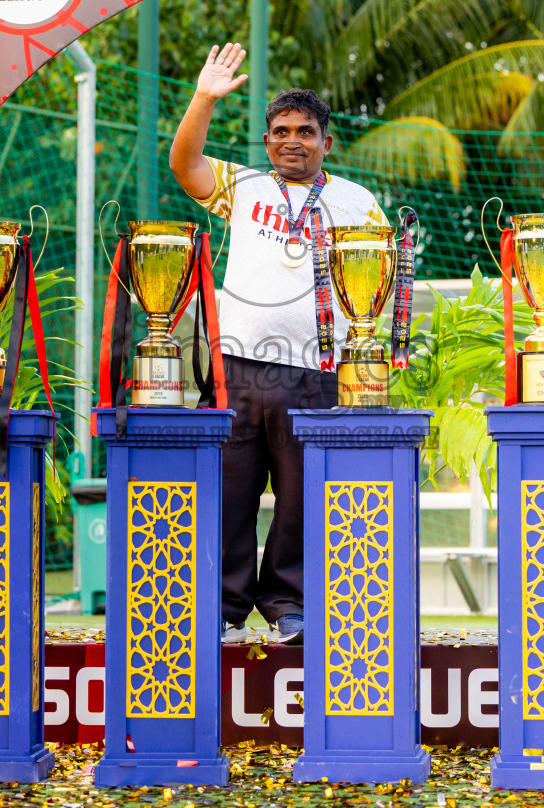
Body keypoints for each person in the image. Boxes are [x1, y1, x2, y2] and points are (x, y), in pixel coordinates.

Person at [168, 42, 387, 644]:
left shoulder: (360, 205)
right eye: (281, 131)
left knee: (299, 498)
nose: (293, 140)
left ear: (327, 142)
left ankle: (288, 601)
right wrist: (204, 99)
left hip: (317, 370)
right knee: (229, 490)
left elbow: (377, 289)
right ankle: (223, 606)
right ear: (267, 142)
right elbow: (184, 164)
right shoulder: (243, 186)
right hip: (237, 368)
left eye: (306, 131)